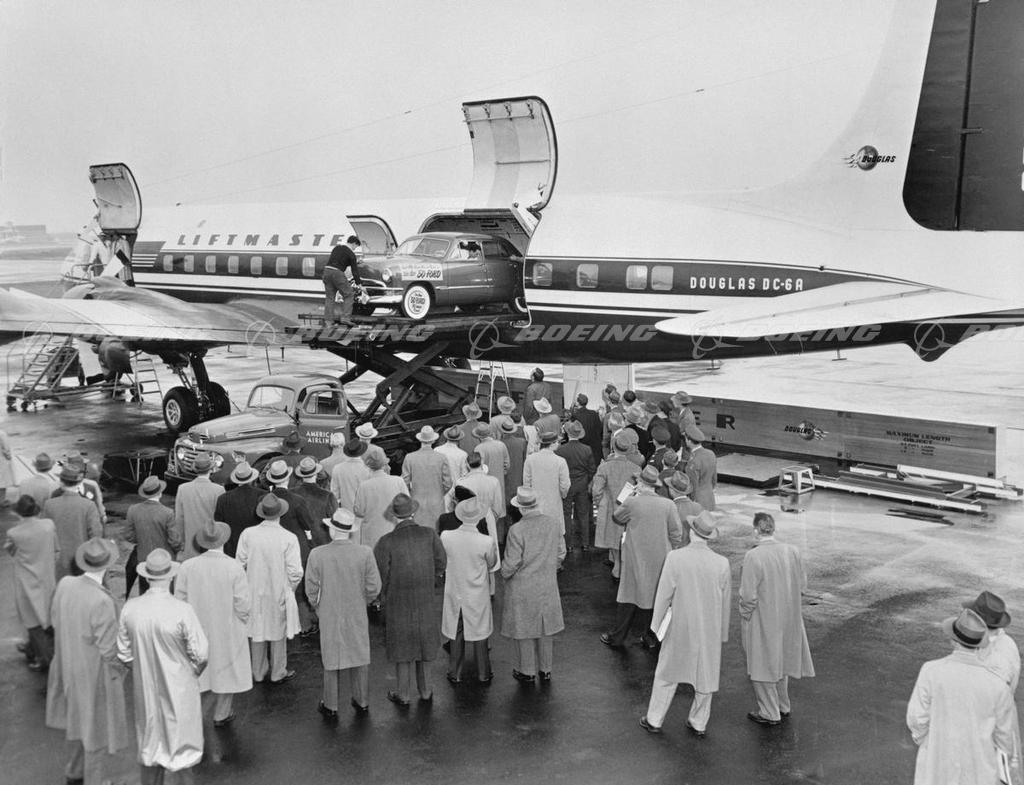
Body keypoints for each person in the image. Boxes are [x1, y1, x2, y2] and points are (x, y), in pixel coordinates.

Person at [117, 549, 209, 785]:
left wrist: (142, 669)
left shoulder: (131, 608)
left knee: (150, 747)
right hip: (180, 687)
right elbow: (200, 654)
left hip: (146, 688)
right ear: (170, 576)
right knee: (183, 751)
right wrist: (191, 672)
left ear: (147, 577)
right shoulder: (182, 610)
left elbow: (123, 653)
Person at [46, 537, 129, 785]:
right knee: (96, 731)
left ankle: (73, 772)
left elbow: (54, 620)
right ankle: (94, 780)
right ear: (107, 566)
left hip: (68, 665)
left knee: (76, 724)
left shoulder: (66, 585)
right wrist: (124, 669)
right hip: (94, 674)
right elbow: (109, 650)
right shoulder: (101, 600)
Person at [640, 511, 730, 737]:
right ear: (709, 536)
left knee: (667, 673)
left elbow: (664, 595)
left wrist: (655, 627)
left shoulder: (675, 558)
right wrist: (722, 633)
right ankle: (699, 722)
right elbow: (725, 602)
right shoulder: (722, 564)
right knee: (706, 678)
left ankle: (654, 719)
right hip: (709, 628)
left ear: (691, 532)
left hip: (681, 624)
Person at [907, 608, 1019, 785]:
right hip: (981, 770)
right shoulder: (997, 684)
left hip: (938, 764)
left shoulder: (931, 671)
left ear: (953, 640)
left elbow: (916, 718)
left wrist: (928, 743)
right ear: (979, 644)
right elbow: (1004, 740)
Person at [739, 512, 815, 725]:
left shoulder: (753, 556)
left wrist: (745, 616)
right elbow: (802, 586)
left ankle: (769, 711)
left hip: (764, 617)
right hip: (789, 617)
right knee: (782, 661)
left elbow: (748, 595)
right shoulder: (792, 551)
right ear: (773, 528)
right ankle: (783, 705)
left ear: (756, 530)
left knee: (762, 665)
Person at [175, 520, 251, 728]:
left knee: (197, 672)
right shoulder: (234, 566)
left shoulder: (187, 566)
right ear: (223, 541)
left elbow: (179, 599)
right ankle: (222, 713)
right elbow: (243, 602)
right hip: (227, 626)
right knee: (227, 669)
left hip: (196, 625)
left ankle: (194, 714)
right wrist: (244, 620)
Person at [306, 509, 381, 717]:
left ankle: (330, 704)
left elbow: (311, 588)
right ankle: (361, 700)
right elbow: (374, 586)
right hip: (356, 610)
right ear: (350, 531)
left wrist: (317, 607)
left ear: (331, 530)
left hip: (329, 612)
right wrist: (365, 601)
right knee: (359, 654)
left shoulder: (317, 554)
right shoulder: (365, 552)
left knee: (331, 658)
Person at [374, 493, 447, 704]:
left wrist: (380, 598)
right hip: (425, 598)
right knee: (424, 645)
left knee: (402, 648)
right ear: (413, 512)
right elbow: (441, 562)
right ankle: (426, 690)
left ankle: (403, 694)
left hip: (398, 602)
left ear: (394, 516)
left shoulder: (386, 541)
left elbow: (381, 575)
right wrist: (432, 580)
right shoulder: (429, 534)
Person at [601, 465, 683, 649]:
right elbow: (676, 533)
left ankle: (618, 637)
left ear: (640, 483)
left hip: (634, 556)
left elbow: (617, 517)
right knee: (657, 596)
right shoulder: (668, 505)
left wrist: (630, 495)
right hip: (661, 557)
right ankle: (650, 637)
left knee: (629, 595)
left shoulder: (632, 502)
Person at [236, 494, 304, 684]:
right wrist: (289, 589)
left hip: (253, 589)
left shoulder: (248, 534)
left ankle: (257, 672)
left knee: (256, 631)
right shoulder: (289, 538)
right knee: (278, 632)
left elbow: (239, 564)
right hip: (278, 589)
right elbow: (295, 571)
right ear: (280, 514)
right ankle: (278, 671)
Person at [500, 488, 565, 682]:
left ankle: (527, 671)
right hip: (547, 584)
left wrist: (504, 574)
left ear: (520, 508)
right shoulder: (553, 524)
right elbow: (561, 553)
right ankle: (546, 669)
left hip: (523, 587)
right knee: (545, 629)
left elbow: (511, 563)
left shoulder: (516, 530)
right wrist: (550, 567)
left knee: (524, 630)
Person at [441, 497, 499, 683]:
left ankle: (455, 672)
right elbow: (492, 563)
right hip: (476, 593)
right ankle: (483, 673)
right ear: (478, 517)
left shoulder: (446, 537)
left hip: (455, 590)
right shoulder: (486, 541)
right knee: (480, 633)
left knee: (456, 632)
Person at [4, 495, 58, 671]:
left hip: (26, 581)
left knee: (32, 622)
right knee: (47, 617)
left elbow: (11, 551)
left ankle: (44, 659)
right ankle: (33, 649)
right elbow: (56, 548)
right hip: (47, 577)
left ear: (19, 512)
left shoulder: (14, 533)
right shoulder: (48, 525)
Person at [124, 475, 181, 598]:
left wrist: (141, 539)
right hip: (165, 560)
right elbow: (175, 541)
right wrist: (176, 549)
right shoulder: (167, 513)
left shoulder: (133, 510)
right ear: (160, 493)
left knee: (145, 594)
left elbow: (128, 535)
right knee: (166, 595)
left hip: (143, 558)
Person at [591, 433, 638, 580]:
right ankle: (620, 566)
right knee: (624, 538)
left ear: (613, 447)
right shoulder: (636, 468)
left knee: (612, 537)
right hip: (629, 509)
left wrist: (599, 503)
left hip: (610, 507)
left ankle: (617, 566)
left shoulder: (604, 467)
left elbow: (596, 490)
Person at [44, 463, 102, 579]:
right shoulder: (89, 505)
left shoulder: (49, 505)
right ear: (79, 483)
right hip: (81, 561)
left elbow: (44, 533)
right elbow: (96, 535)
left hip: (57, 562)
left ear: (61, 482)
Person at [354, 451, 409, 550]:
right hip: (394, 530)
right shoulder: (398, 481)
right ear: (384, 466)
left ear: (369, 467)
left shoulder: (364, 486)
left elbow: (359, 511)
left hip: (371, 533)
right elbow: (407, 506)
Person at [401, 425, 453, 531]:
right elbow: (448, 483)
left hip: (417, 501)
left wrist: (412, 494)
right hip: (436, 502)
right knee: (436, 532)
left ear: (420, 440)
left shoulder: (409, 457)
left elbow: (404, 482)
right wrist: (439, 493)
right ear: (433, 441)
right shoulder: (441, 458)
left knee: (419, 532)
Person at [174, 452, 224, 561]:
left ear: (196, 470)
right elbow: (221, 521)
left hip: (190, 545)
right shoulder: (219, 490)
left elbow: (179, 519)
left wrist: (182, 542)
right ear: (211, 469)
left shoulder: (182, 489)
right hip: (211, 544)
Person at [557, 420, 596, 552]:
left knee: (566, 514)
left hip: (567, 485)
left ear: (568, 433)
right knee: (583, 514)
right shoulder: (587, 449)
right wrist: (587, 480)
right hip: (582, 485)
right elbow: (592, 469)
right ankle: (585, 543)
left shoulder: (560, 450)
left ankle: (568, 545)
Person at [213, 461, 262, 557]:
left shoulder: (223, 498)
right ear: (251, 478)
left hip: (231, 549)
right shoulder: (261, 495)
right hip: (255, 548)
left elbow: (219, 525)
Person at [293, 455, 337, 546]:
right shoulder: (328, 496)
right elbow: (335, 520)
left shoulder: (292, 494)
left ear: (301, 475)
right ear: (316, 474)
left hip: (299, 542)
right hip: (322, 542)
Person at [322, 234, 362, 323]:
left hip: (327, 271)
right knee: (349, 294)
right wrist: (359, 284)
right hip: (337, 274)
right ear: (354, 244)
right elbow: (355, 271)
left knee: (330, 297)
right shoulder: (351, 254)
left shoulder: (337, 248)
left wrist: (354, 262)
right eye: (355, 247)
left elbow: (339, 261)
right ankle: (345, 318)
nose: (355, 249)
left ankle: (328, 321)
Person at [684, 424, 717, 510]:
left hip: (698, 502)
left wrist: (692, 501)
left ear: (689, 441)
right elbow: (714, 479)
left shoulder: (693, 461)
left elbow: (693, 486)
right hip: (709, 498)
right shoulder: (711, 453)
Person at [499, 418, 527, 516]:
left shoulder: (499, 443)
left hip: (505, 478)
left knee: (506, 504)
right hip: (518, 477)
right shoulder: (522, 442)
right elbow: (524, 461)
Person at [571, 393, 604, 467]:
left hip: (582, 450)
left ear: (577, 403)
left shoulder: (575, 416)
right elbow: (600, 429)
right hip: (595, 450)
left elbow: (573, 433)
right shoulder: (594, 414)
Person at [436, 425, 470, 490]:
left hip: (439, 488)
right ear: (459, 439)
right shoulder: (462, 454)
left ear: (446, 437)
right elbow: (464, 475)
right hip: (454, 488)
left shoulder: (437, 450)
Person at [0, 428, 13, 506]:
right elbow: (6, 449)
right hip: (1, 460)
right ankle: (1, 501)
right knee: (2, 482)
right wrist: (9, 457)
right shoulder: (1, 434)